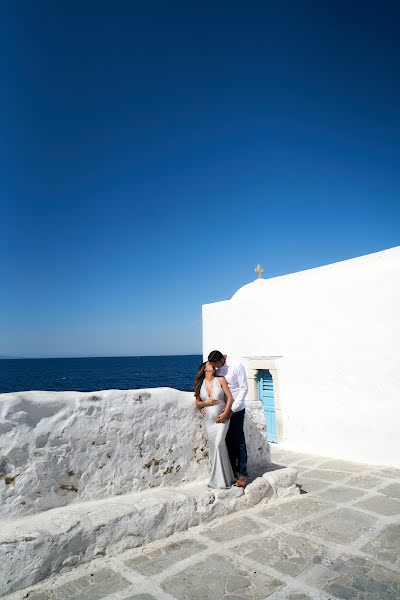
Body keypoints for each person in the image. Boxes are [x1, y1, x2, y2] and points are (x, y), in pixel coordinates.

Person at [208, 350, 248, 487]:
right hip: (222, 409)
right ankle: (232, 472)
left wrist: (232, 409)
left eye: (216, 365)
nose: (216, 368)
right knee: (228, 440)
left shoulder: (236, 366)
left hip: (236, 409)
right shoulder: (217, 367)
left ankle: (243, 474)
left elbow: (244, 389)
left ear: (221, 360)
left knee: (239, 441)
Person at [194, 361, 234, 488]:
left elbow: (230, 398)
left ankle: (220, 481)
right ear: (205, 369)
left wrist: (226, 413)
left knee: (218, 444)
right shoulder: (200, 384)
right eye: (209, 364)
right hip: (208, 421)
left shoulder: (220, 380)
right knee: (214, 448)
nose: (212, 365)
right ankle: (225, 477)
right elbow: (198, 403)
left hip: (222, 418)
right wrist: (207, 403)